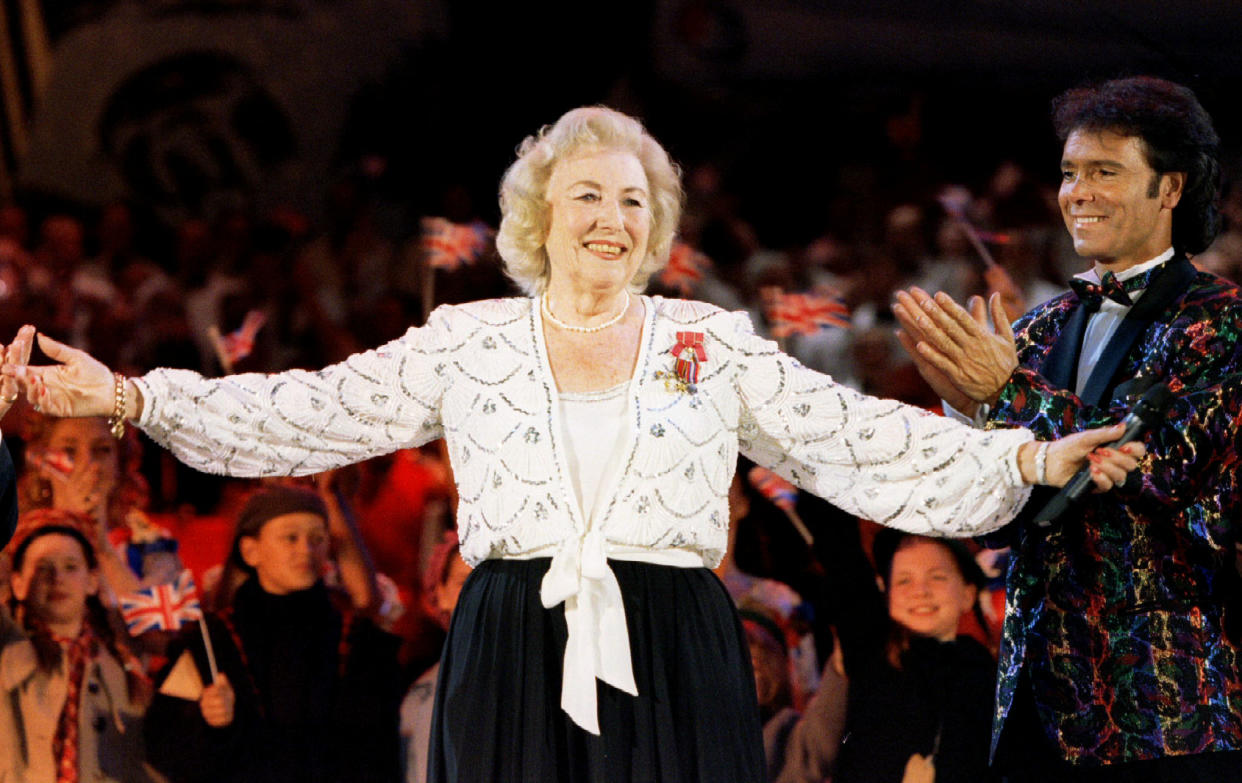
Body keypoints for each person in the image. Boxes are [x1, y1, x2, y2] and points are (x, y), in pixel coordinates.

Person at [6, 106, 1143, 783]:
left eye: (636, 202)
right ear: (540, 215)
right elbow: (306, 408)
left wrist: (1028, 460)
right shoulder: (471, 340)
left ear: (657, 228)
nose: (612, 218)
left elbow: (853, 438)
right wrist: (131, 398)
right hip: (511, 644)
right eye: (589, 195)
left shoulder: (706, 341)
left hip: (678, 641)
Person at [893, 76, 1242, 780]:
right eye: (1070, 172)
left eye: (1105, 171)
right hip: (1036, 705)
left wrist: (1007, 391)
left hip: (1168, 707)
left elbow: (1168, 467)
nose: (1077, 191)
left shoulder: (1221, 321)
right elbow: (997, 523)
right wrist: (969, 420)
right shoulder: (1041, 325)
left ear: (1170, 189)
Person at [143, 484, 402, 783]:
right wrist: (207, 722)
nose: (306, 549)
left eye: (317, 539)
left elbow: (383, 757)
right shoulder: (209, 642)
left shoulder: (361, 643)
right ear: (251, 551)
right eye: (290, 538)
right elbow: (161, 746)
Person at [0, 510, 160, 783]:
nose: (57, 578)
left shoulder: (120, 654)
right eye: (42, 568)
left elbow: (155, 628)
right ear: (18, 584)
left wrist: (107, 552)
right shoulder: (8, 655)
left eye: (71, 567)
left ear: (92, 580)